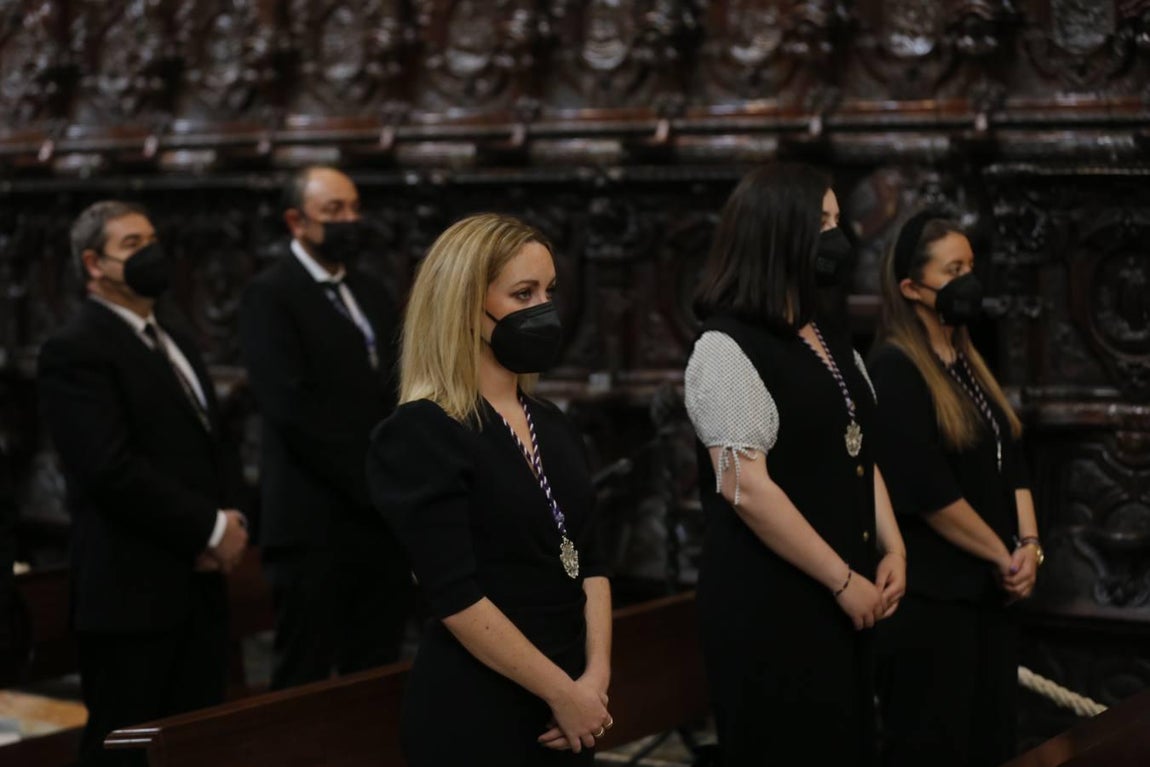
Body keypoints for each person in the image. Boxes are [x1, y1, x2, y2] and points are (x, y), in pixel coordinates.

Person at [366, 213, 613, 766]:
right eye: (523, 293)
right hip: (478, 711)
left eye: (549, 291)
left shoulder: (551, 420)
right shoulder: (419, 433)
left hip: (572, 709)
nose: (544, 309)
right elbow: (454, 596)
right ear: (464, 305)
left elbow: (590, 562)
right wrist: (560, 690)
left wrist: (594, 679)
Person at [683, 163, 906, 766]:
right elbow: (746, 489)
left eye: (836, 221)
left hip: (845, 594)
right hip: (775, 607)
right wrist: (840, 579)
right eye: (822, 222)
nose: (838, 237)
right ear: (778, 234)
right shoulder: (725, 345)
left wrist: (893, 546)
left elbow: (856, 444)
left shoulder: (825, 330)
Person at [38, 201, 248, 766]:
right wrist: (206, 529)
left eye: (153, 239)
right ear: (93, 263)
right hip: (130, 593)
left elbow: (212, 439)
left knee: (195, 744)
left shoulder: (173, 334)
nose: (151, 253)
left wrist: (232, 519)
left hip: (197, 586)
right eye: (132, 245)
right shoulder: (76, 349)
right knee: (125, 748)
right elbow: (109, 469)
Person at [869, 210, 1040, 767]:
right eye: (954, 268)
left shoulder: (969, 360)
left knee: (992, 743)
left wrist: (1029, 547)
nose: (969, 279)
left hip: (990, 596)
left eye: (971, 265)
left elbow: (1010, 458)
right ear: (912, 288)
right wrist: (1003, 555)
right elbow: (927, 491)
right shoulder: (895, 367)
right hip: (936, 603)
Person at [239, 166, 410, 689]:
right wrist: (371, 480)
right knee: (305, 675)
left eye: (354, 208)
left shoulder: (370, 290)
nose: (350, 220)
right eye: (334, 211)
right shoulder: (271, 294)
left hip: (377, 522)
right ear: (296, 220)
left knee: (376, 671)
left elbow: (396, 385)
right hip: (312, 522)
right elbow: (291, 410)